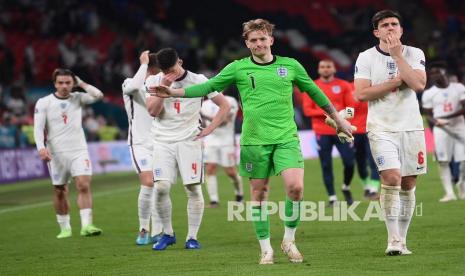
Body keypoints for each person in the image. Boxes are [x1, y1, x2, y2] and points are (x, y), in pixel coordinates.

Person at [150, 19, 354, 264]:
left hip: (286, 138)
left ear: (271, 40)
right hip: (253, 141)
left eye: (262, 39)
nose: (258, 43)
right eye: (253, 40)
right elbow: (210, 86)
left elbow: (314, 92)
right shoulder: (238, 68)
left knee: (296, 188)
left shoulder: (291, 66)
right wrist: (173, 92)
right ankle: (265, 247)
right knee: (259, 194)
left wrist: (337, 119)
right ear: (247, 44)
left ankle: (289, 240)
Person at [354, 10, 427, 256]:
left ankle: (403, 241)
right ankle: (392, 239)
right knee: (392, 178)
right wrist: (396, 82)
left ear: (401, 29)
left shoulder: (414, 53)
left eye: (394, 24)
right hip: (381, 128)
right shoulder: (366, 57)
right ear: (376, 32)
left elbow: (418, 84)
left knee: (408, 183)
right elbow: (362, 94)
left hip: (411, 127)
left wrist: (397, 56)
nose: (390, 28)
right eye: (385, 25)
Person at [145, 48, 230, 251]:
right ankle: (167, 233)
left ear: (180, 62)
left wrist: (209, 128)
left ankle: (192, 237)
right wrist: (164, 85)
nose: (168, 73)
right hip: (162, 141)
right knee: (161, 187)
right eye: (164, 70)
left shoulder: (199, 80)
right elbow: (152, 111)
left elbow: (224, 105)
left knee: (192, 188)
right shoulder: (154, 81)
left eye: (171, 69)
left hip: (189, 141)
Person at [33, 69, 104, 239]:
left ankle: (87, 225)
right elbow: (38, 127)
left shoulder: (78, 98)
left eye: (68, 82)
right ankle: (65, 228)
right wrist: (41, 148)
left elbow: (99, 95)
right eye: (60, 83)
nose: (64, 86)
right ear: (55, 84)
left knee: (84, 185)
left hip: (79, 150)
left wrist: (81, 83)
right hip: (56, 153)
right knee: (60, 190)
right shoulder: (44, 102)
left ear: (72, 83)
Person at [122, 50, 163, 245]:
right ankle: (143, 228)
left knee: (160, 186)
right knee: (148, 183)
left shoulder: (159, 85)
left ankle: (158, 229)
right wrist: (144, 64)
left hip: (160, 142)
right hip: (139, 143)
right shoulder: (130, 82)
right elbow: (134, 87)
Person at [302, 59, 356, 206]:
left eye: (328, 66)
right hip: (322, 131)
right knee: (326, 165)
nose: (325, 69)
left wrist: (344, 116)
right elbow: (307, 110)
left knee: (349, 162)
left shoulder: (343, 85)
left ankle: (346, 186)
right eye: (322, 67)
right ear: (319, 70)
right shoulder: (311, 86)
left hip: (342, 131)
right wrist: (333, 114)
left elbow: (351, 107)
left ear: (334, 69)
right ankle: (332, 198)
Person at [421, 64, 465, 202]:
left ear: (444, 72)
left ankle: (461, 184)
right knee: (443, 161)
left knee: (463, 160)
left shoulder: (458, 88)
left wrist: (445, 118)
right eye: (432, 74)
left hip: (458, 127)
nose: (434, 76)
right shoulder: (428, 93)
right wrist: (435, 123)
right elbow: (427, 114)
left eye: (437, 72)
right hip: (441, 130)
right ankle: (449, 193)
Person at [200, 94, 244, 207]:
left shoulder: (230, 101)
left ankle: (239, 194)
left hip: (227, 141)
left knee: (230, 171)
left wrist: (205, 116)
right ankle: (214, 200)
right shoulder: (204, 104)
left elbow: (225, 121)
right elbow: (204, 124)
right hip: (210, 140)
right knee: (210, 169)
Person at [348, 82, 380, 200]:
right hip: (354, 131)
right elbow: (348, 110)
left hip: (372, 129)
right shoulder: (348, 88)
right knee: (360, 163)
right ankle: (367, 187)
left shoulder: (376, 86)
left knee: (373, 161)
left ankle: (374, 190)